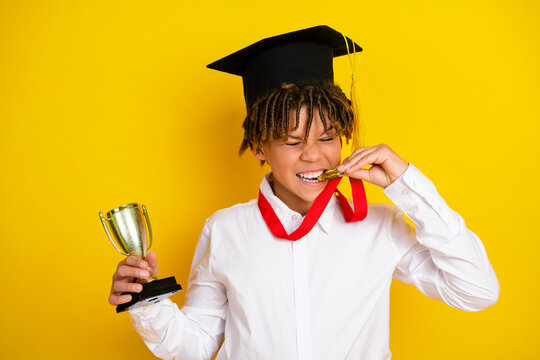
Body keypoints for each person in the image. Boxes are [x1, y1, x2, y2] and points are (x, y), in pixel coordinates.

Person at [108, 25, 499, 360]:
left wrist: (406, 184)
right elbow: (194, 345)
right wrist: (146, 299)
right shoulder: (225, 229)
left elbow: (477, 291)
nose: (313, 155)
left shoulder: (382, 228)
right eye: (292, 141)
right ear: (260, 147)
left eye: (328, 137)